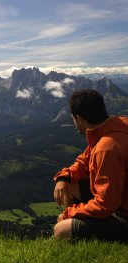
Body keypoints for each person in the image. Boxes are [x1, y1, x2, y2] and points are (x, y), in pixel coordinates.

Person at [53, 89, 128, 241]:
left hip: (124, 215)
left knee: (60, 230)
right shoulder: (114, 126)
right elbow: (84, 161)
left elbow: (106, 205)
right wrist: (64, 178)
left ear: (79, 119)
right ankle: (75, 230)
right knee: (69, 186)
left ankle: (68, 233)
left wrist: (68, 214)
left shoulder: (107, 147)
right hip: (121, 198)